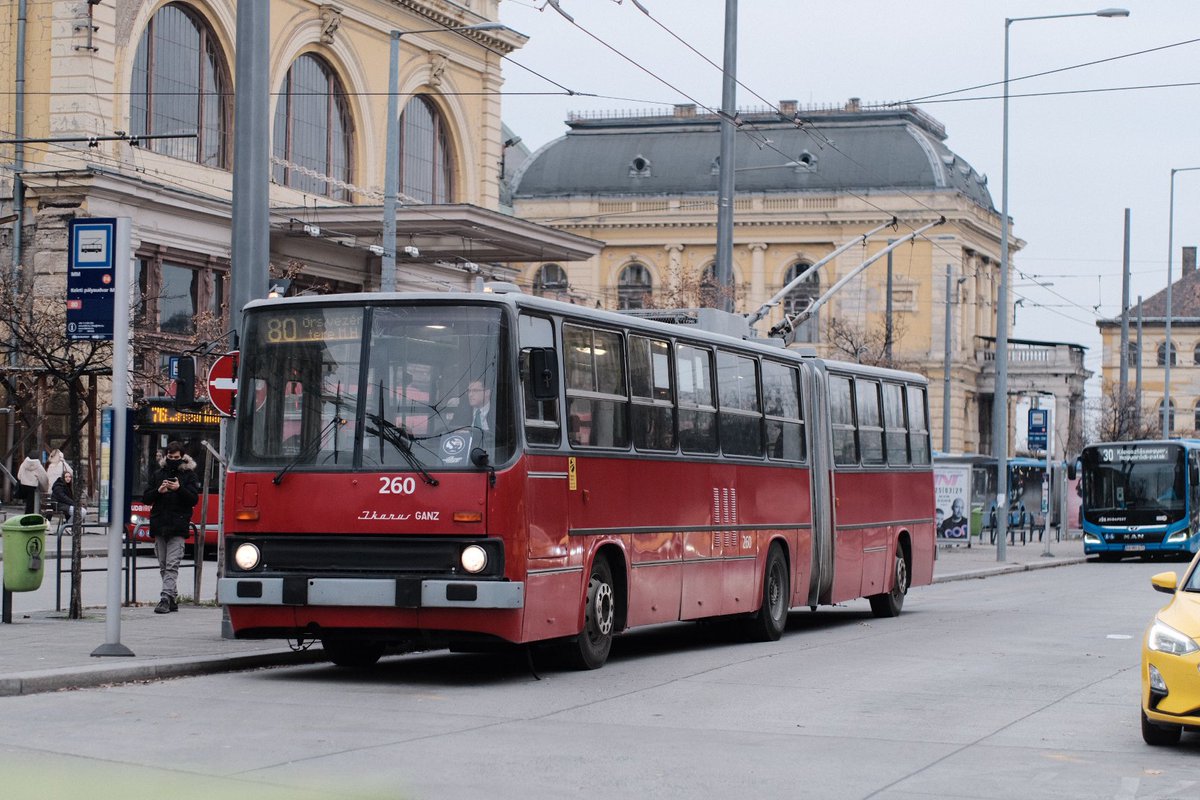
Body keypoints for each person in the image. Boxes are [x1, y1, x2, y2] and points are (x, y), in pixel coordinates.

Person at [142, 441, 200, 614]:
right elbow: (146, 498)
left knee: (172, 565)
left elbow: (193, 499)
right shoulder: (158, 474)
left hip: (178, 525)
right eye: (170, 457)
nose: (173, 459)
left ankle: (165, 598)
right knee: (163, 564)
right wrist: (158, 491)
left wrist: (179, 488)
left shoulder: (189, 475)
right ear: (166, 456)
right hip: (160, 524)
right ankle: (172, 598)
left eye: (176, 457)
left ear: (182, 457)